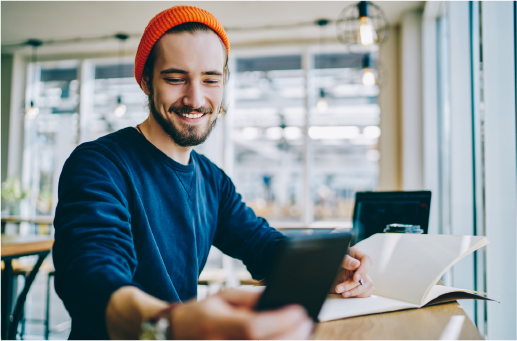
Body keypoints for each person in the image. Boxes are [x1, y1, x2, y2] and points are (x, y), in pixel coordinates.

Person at [52, 6, 374, 341]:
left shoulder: (212, 180)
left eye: (210, 79)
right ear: (146, 80)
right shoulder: (99, 164)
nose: (195, 98)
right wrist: (168, 325)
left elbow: (260, 244)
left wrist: (329, 270)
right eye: (176, 79)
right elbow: (90, 273)